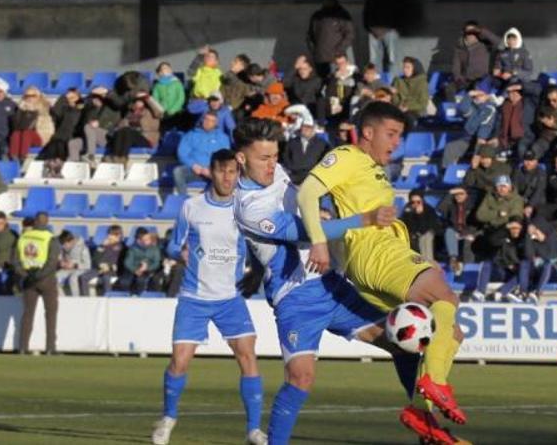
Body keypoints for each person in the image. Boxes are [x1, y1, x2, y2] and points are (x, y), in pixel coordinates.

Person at [227, 120, 452, 445]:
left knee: (401, 345)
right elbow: (306, 231)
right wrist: (364, 219)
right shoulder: (249, 208)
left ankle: (425, 426)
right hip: (297, 299)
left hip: (331, 285)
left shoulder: (275, 172)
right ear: (241, 159)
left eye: (275, 156)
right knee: (301, 377)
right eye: (264, 158)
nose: (272, 164)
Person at [297, 102, 468, 429]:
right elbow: (307, 194)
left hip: (376, 257)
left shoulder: (372, 168)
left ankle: (425, 417)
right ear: (368, 132)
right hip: (374, 250)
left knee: (447, 334)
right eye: (391, 134)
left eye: (400, 136)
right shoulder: (347, 156)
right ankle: (434, 382)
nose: (396, 143)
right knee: (444, 296)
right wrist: (319, 241)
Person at [155, 150, 266, 445]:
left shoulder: (244, 210)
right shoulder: (191, 207)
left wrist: (256, 271)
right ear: (212, 172)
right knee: (179, 362)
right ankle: (168, 418)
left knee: (247, 355)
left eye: (233, 172)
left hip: (230, 298)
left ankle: (253, 430)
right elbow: (171, 245)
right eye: (222, 171)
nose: (227, 178)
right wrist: (179, 253)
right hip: (194, 298)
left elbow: (258, 247)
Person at [11, 212, 61, 355]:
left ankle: (22, 347)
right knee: (51, 314)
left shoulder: (23, 237)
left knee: (27, 314)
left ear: (34, 222)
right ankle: (50, 348)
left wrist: (26, 275)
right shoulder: (50, 239)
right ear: (47, 222)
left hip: (28, 279)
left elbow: (15, 260)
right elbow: (52, 263)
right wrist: (38, 275)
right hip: (46, 279)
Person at [174, 112, 230, 195]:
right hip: (195, 170)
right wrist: (193, 165)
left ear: (216, 123)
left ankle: (211, 198)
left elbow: (225, 157)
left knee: (224, 175)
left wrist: (211, 169)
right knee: (178, 172)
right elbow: (182, 153)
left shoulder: (222, 138)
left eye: (212, 121)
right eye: (206, 119)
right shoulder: (191, 135)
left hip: (214, 171)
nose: (208, 122)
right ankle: (183, 200)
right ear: (202, 120)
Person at [363, 0, 405, 74]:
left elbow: (401, 12)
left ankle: (394, 82)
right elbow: (367, 12)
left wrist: (395, 27)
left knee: (393, 58)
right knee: (374, 60)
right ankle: (376, 83)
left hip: (391, 29)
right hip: (375, 30)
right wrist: (369, 28)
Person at [106, 91, 165, 164]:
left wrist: (147, 97)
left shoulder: (151, 112)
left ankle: (122, 158)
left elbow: (160, 111)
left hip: (146, 139)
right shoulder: (129, 113)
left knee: (128, 131)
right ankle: (116, 157)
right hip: (130, 138)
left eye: (141, 100)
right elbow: (121, 126)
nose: (138, 102)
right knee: (121, 131)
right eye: (136, 100)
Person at [307, 0, 355, 79]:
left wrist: (339, 51)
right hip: (319, 57)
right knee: (320, 83)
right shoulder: (317, 16)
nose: (327, 2)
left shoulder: (342, 15)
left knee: (335, 83)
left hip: (336, 59)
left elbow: (349, 34)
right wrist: (313, 50)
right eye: (325, 0)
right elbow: (310, 35)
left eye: (329, 0)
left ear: (334, 0)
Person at [447, 21, 499, 102]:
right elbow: (455, 68)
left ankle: (476, 109)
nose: (471, 34)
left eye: (473, 32)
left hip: (481, 79)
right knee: (449, 88)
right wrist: (459, 79)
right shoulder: (459, 49)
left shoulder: (485, 45)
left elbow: (499, 42)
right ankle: (454, 109)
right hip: (465, 80)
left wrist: (481, 31)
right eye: (468, 32)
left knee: (478, 92)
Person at [475, 175, 526, 255]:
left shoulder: (517, 199)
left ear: (509, 187)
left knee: (495, 241)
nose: (502, 189)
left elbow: (516, 215)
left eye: (504, 186)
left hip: (505, 228)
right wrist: (497, 213)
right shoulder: (489, 197)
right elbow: (480, 215)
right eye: (499, 186)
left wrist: (493, 217)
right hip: (489, 228)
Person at [438, 187, 478, 268]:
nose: (458, 196)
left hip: (469, 231)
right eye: (456, 195)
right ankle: (453, 259)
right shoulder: (452, 206)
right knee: (449, 232)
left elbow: (475, 223)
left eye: (461, 194)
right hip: (456, 230)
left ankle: (468, 267)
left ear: (466, 195)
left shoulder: (473, 206)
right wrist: (449, 193)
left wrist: (465, 234)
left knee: (467, 241)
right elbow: (440, 208)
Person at [281, 120, 330, 185]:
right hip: (293, 178)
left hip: (313, 179)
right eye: (304, 126)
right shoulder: (292, 142)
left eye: (309, 127)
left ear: (313, 129)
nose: (306, 129)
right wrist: (292, 167)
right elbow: (285, 157)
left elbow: (325, 159)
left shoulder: (322, 143)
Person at [401, 190, 441, 261]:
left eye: (418, 202)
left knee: (425, 236)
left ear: (422, 201)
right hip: (413, 235)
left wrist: (420, 215)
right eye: (413, 202)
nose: (416, 204)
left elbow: (428, 227)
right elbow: (408, 225)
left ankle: (428, 261)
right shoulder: (408, 210)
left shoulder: (429, 210)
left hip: (427, 233)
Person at [283, 55, 326, 121]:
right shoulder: (295, 80)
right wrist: (295, 66)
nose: (302, 71)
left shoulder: (317, 81)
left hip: (311, 111)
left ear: (310, 69)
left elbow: (320, 98)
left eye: (305, 69)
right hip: (296, 111)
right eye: (300, 69)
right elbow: (285, 82)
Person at [392, 56, 432, 122]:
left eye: (408, 67)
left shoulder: (421, 82)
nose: (405, 70)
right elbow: (394, 98)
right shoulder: (398, 81)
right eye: (404, 67)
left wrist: (407, 107)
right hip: (399, 109)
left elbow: (423, 103)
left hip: (416, 112)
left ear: (415, 68)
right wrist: (399, 105)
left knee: (407, 118)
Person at [56, 230, 93, 296]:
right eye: (62, 245)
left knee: (73, 278)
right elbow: (60, 259)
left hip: (80, 269)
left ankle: (76, 299)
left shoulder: (83, 248)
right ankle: (63, 299)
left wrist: (75, 265)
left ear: (71, 241)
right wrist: (61, 263)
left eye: (65, 244)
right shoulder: (63, 248)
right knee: (54, 278)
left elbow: (88, 265)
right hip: (67, 269)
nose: (64, 247)